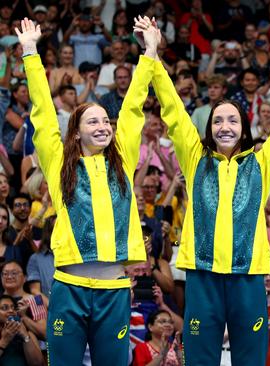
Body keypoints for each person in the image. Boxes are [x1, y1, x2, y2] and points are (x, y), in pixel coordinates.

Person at [143, 15, 270, 364]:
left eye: (233, 120)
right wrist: (153, 56)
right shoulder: (194, 157)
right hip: (203, 277)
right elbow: (172, 108)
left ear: (243, 128)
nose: (225, 126)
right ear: (209, 127)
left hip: (248, 279)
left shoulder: (261, 163)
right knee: (200, 359)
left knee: (250, 359)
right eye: (218, 120)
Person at [18, 17, 158, 365]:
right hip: (68, 286)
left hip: (113, 291)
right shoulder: (59, 163)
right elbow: (43, 114)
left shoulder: (122, 161)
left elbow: (134, 108)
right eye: (92, 121)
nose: (103, 126)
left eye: (105, 121)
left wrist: (150, 53)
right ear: (76, 132)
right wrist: (30, 52)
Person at [0, 295, 43, 365]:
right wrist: (4, 341)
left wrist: (25, 336)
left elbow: (38, 363)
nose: (11, 311)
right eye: (5, 308)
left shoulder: (28, 332)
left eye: (13, 307)